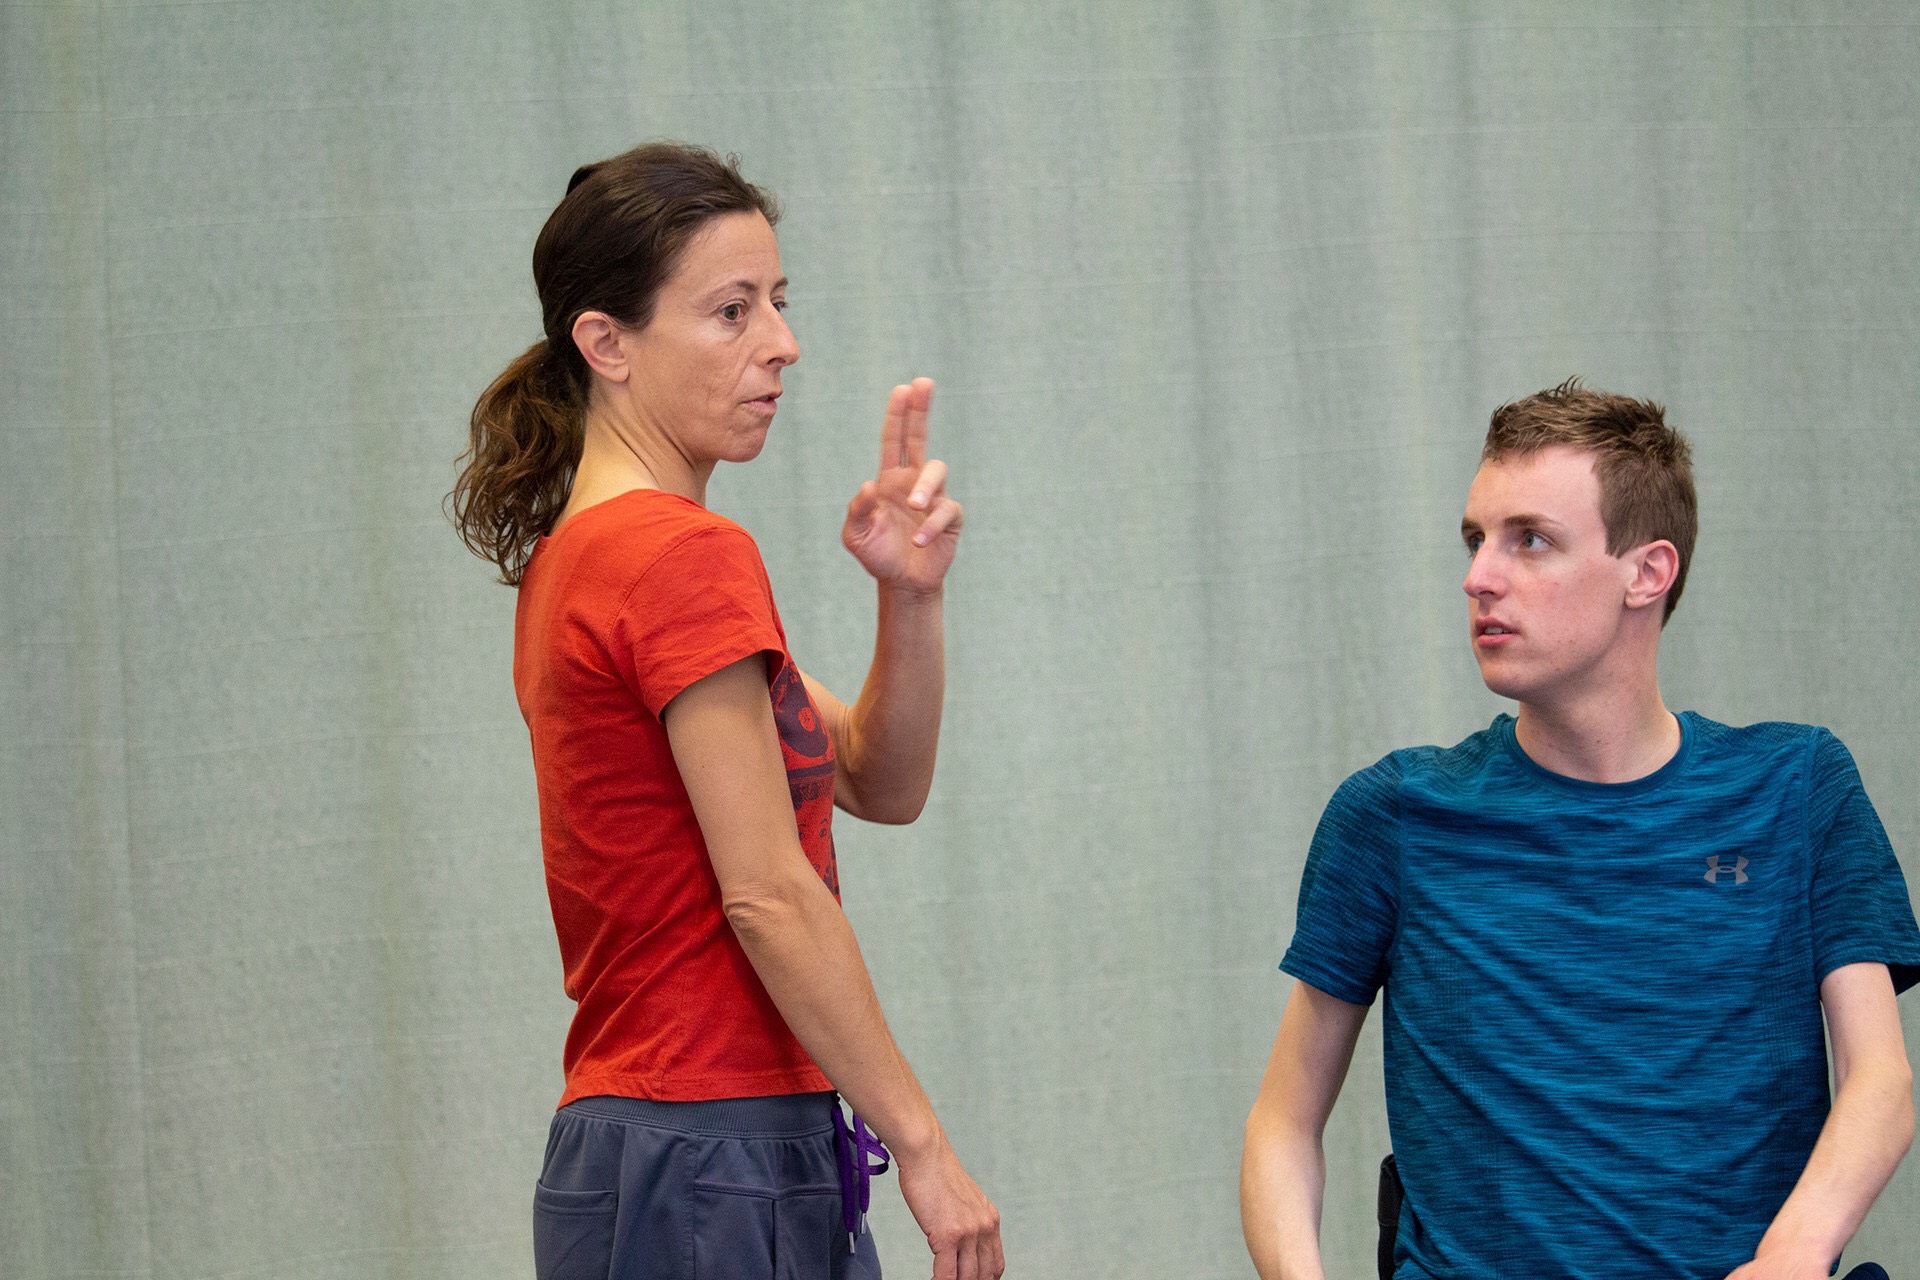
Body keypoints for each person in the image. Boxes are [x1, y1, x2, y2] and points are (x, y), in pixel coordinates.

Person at [449, 142, 1003, 1280]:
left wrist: (908, 597)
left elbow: (875, 777)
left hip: (696, 1145)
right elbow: (765, 889)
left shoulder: (594, 554)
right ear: (607, 343)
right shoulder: (674, 554)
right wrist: (928, 1149)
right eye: (731, 311)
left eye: (780, 303)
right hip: (708, 1146)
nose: (782, 343)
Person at [1239, 379, 1920, 1279]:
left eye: (1531, 540)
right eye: (1476, 540)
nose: (1479, 575)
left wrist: (1792, 1254)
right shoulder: (1393, 815)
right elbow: (1283, 1121)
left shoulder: (1798, 788)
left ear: (1647, 572)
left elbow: (1882, 1081)